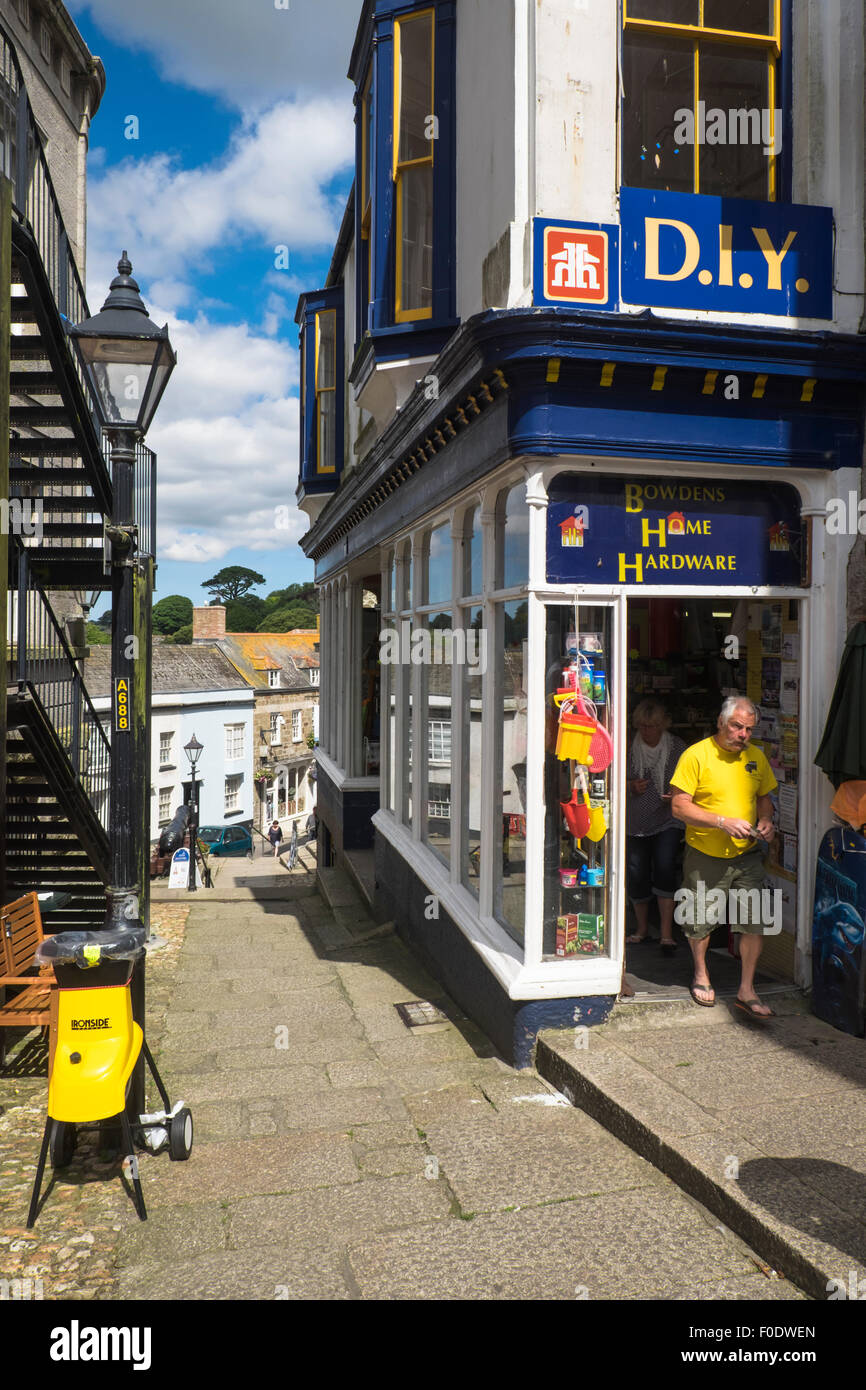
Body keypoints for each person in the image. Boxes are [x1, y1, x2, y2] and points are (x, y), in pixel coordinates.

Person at [670, 697, 777, 1017]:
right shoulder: (696, 755)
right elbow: (678, 807)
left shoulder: (756, 757)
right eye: (736, 726)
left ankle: (747, 989)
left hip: (747, 855)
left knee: (754, 922)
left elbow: (764, 799)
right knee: (700, 921)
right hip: (706, 853)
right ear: (720, 722)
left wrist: (767, 820)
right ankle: (701, 974)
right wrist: (722, 821)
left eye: (748, 729)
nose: (743, 734)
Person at [625, 700, 686, 954]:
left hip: (668, 819)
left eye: (652, 726)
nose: (647, 731)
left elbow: (690, 782)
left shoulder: (677, 748)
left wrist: (677, 795)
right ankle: (641, 929)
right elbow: (610, 778)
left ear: (663, 726)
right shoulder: (629, 746)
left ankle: (665, 933)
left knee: (664, 868)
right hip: (635, 821)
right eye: (643, 726)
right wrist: (630, 786)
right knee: (637, 873)